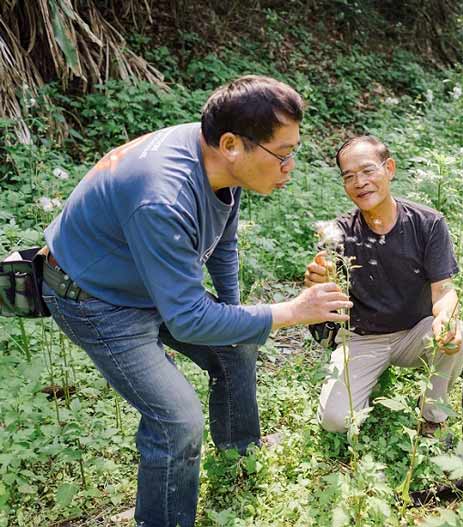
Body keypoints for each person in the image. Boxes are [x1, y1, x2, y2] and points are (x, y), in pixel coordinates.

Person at [41, 76, 352, 527]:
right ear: (231, 145)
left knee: (238, 343)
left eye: (294, 152)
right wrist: (292, 311)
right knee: (178, 421)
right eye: (282, 155)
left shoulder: (221, 160)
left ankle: (239, 460)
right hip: (96, 299)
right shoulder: (163, 197)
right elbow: (187, 319)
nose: (290, 167)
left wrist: (234, 318)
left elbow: (223, 242)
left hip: (149, 281)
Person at [304, 135, 463, 436]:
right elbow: (325, 292)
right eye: (349, 176)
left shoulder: (428, 223)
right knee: (336, 422)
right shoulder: (339, 233)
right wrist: (319, 284)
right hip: (362, 339)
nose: (360, 182)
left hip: (415, 332)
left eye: (368, 171)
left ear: (389, 168)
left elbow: (444, 290)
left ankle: (432, 415)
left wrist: (447, 318)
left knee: (457, 332)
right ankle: (368, 379)